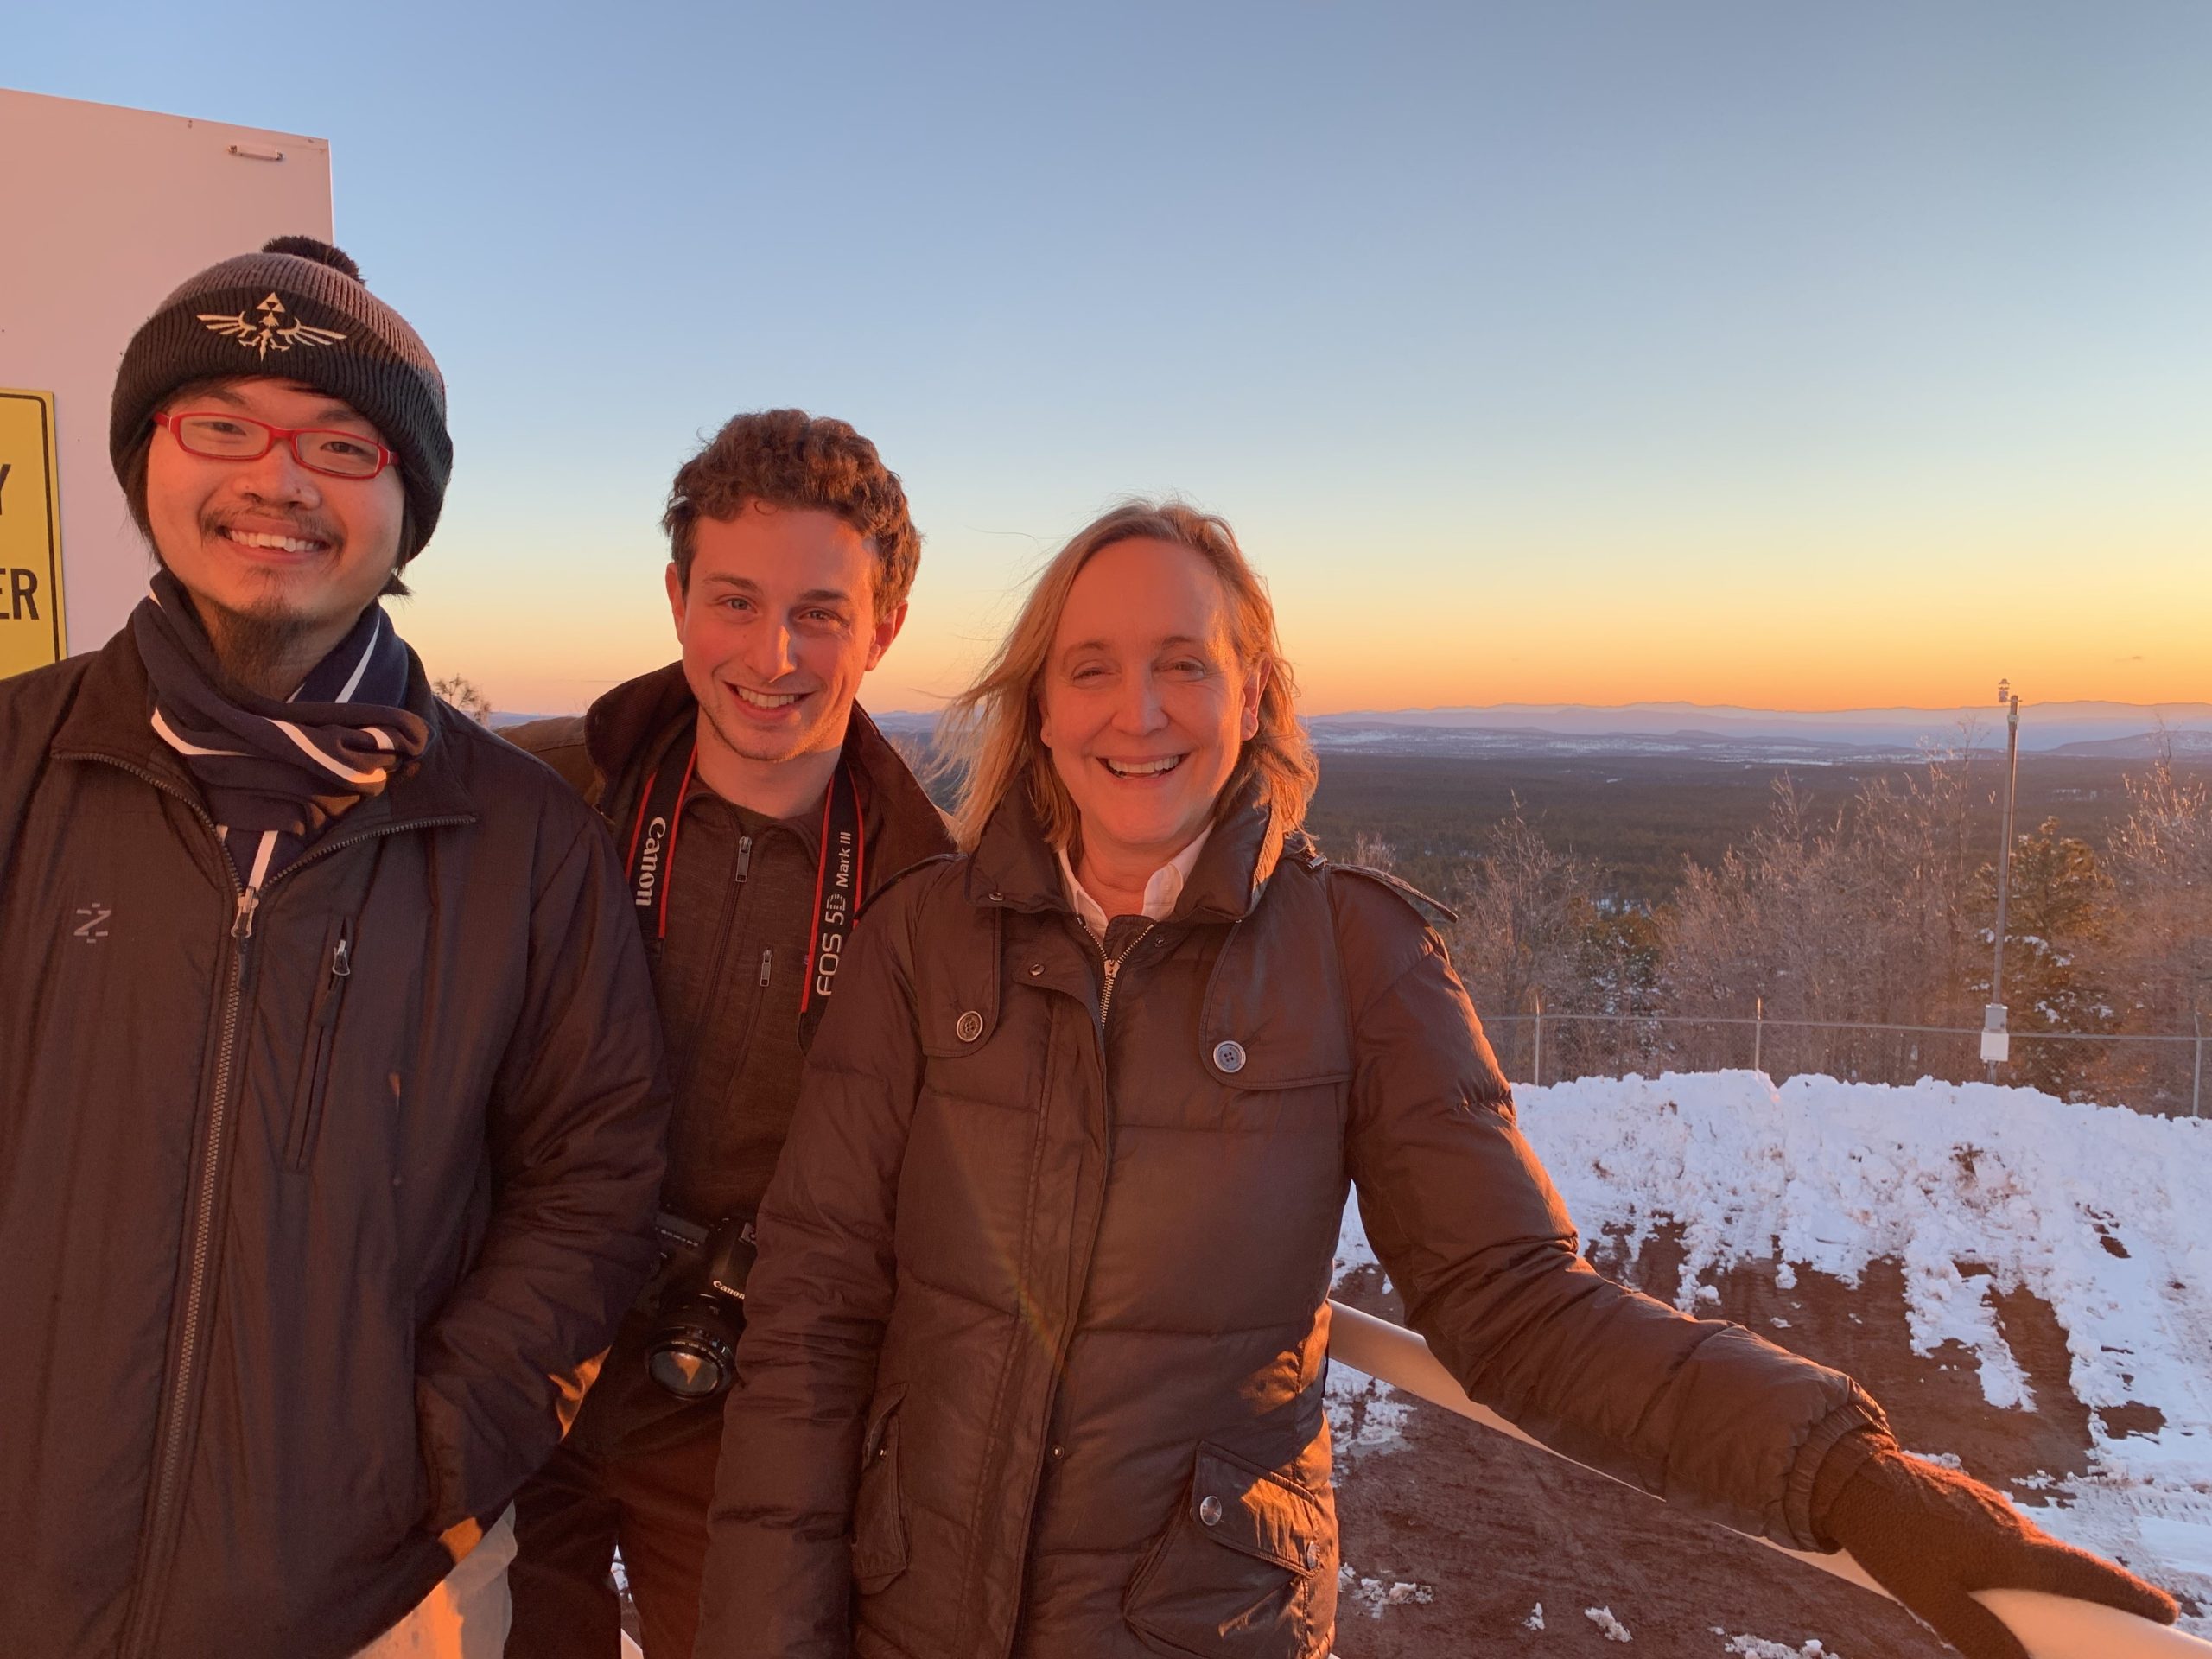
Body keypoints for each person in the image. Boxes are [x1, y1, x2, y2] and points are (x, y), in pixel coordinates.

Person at [696, 499, 2179, 1659]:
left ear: (1252, 688)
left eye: (1181, 664)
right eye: (1092, 667)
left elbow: (1518, 1309)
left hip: (1195, 1629)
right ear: (1039, 696)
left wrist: (1849, 1480)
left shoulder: (1358, 961)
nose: (1134, 712)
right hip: (907, 1618)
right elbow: (816, 1325)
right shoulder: (918, 950)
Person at [0, 237, 670, 1659]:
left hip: (379, 1603)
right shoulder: (15, 767)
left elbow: (594, 1181)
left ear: (405, 502)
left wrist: (423, 1452)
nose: (278, 478)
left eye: (341, 441)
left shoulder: (524, 837)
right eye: (222, 424)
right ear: (146, 463)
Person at [502, 410, 951, 1657]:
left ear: (886, 626)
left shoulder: (931, 896)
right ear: (676, 598)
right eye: (736, 601)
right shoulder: (542, 799)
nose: (773, 652)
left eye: (821, 612)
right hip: (514, 1356)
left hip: (745, 1408)